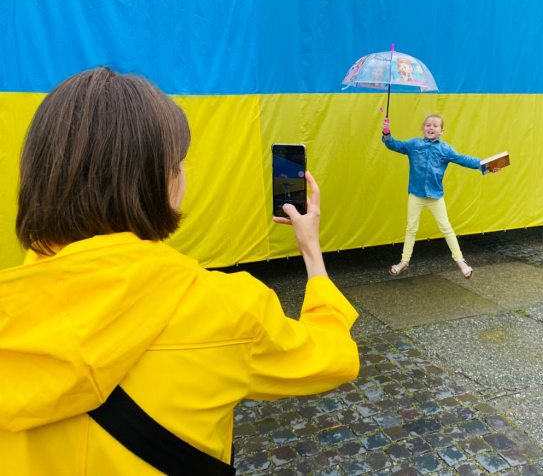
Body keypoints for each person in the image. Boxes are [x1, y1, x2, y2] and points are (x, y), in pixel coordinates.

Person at [0, 67, 360, 475]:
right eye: (180, 165)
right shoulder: (229, 309)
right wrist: (311, 251)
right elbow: (336, 357)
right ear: (162, 181)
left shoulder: (12, 311)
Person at [381, 114, 500, 278]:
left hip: (435, 196)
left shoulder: (446, 149)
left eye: (435, 126)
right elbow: (395, 145)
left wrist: (489, 165)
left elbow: (464, 160)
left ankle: (460, 260)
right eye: (428, 125)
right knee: (411, 228)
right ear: (423, 129)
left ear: (441, 131)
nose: (431, 127)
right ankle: (404, 261)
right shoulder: (413, 144)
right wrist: (387, 134)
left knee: (446, 228)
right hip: (416, 195)